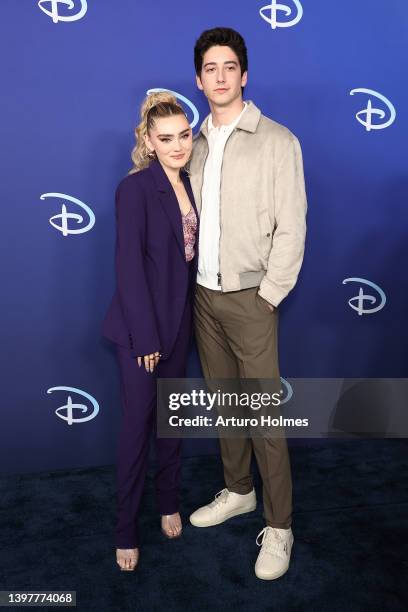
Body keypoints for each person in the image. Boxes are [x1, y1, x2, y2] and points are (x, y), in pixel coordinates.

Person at [187, 27, 307, 580]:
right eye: (210, 68)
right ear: (199, 78)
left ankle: (279, 527)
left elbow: (292, 227)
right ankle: (239, 491)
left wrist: (267, 296)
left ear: (244, 74)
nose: (219, 76)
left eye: (229, 67)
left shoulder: (277, 140)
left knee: (263, 413)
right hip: (203, 296)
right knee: (223, 402)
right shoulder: (193, 142)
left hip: (250, 297)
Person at [102, 91, 198, 571]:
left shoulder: (193, 183)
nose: (178, 145)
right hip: (142, 331)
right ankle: (125, 530)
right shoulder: (135, 189)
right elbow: (128, 267)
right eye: (166, 138)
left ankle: (167, 503)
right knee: (138, 427)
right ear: (148, 141)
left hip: (181, 324)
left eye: (183, 135)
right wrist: (146, 337)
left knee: (173, 423)